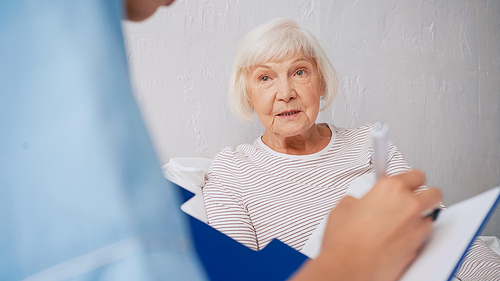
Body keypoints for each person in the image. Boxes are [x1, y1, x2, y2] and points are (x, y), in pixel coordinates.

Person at [202, 19, 500, 280]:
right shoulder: (232, 170)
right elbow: (237, 273)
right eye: (265, 78)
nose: (286, 93)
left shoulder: (368, 143)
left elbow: (442, 230)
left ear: (320, 81)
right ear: (248, 94)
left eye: (300, 72)